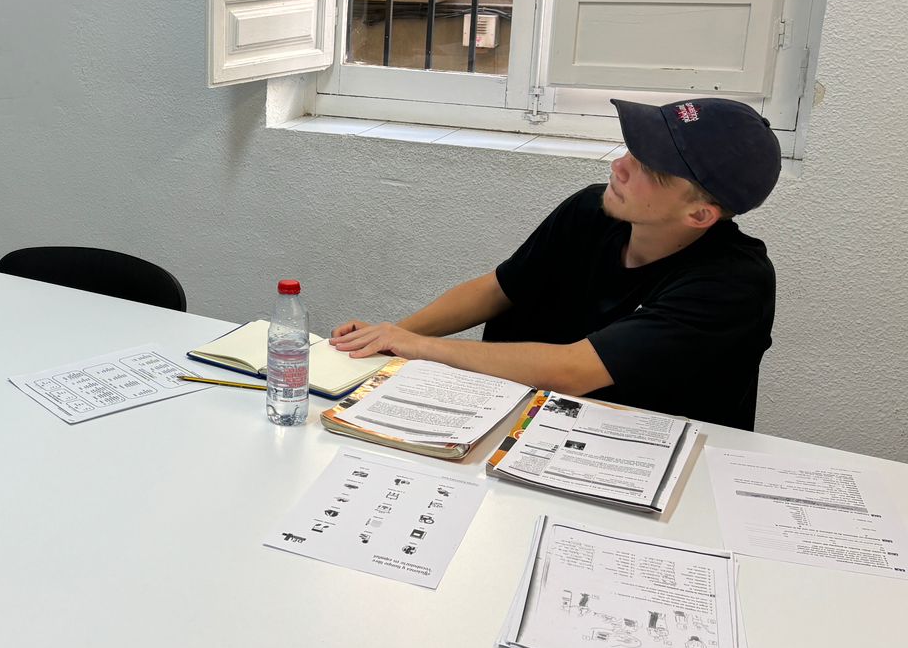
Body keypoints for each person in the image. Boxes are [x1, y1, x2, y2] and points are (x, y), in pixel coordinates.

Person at [330, 97, 780, 431]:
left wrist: (420, 348)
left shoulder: (733, 284)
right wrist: (390, 339)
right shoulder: (592, 211)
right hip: (527, 426)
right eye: (631, 149)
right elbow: (499, 288)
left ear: (699, 215)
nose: (619, 167)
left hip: (644, 458)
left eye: (649, 169)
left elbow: (574, 370)